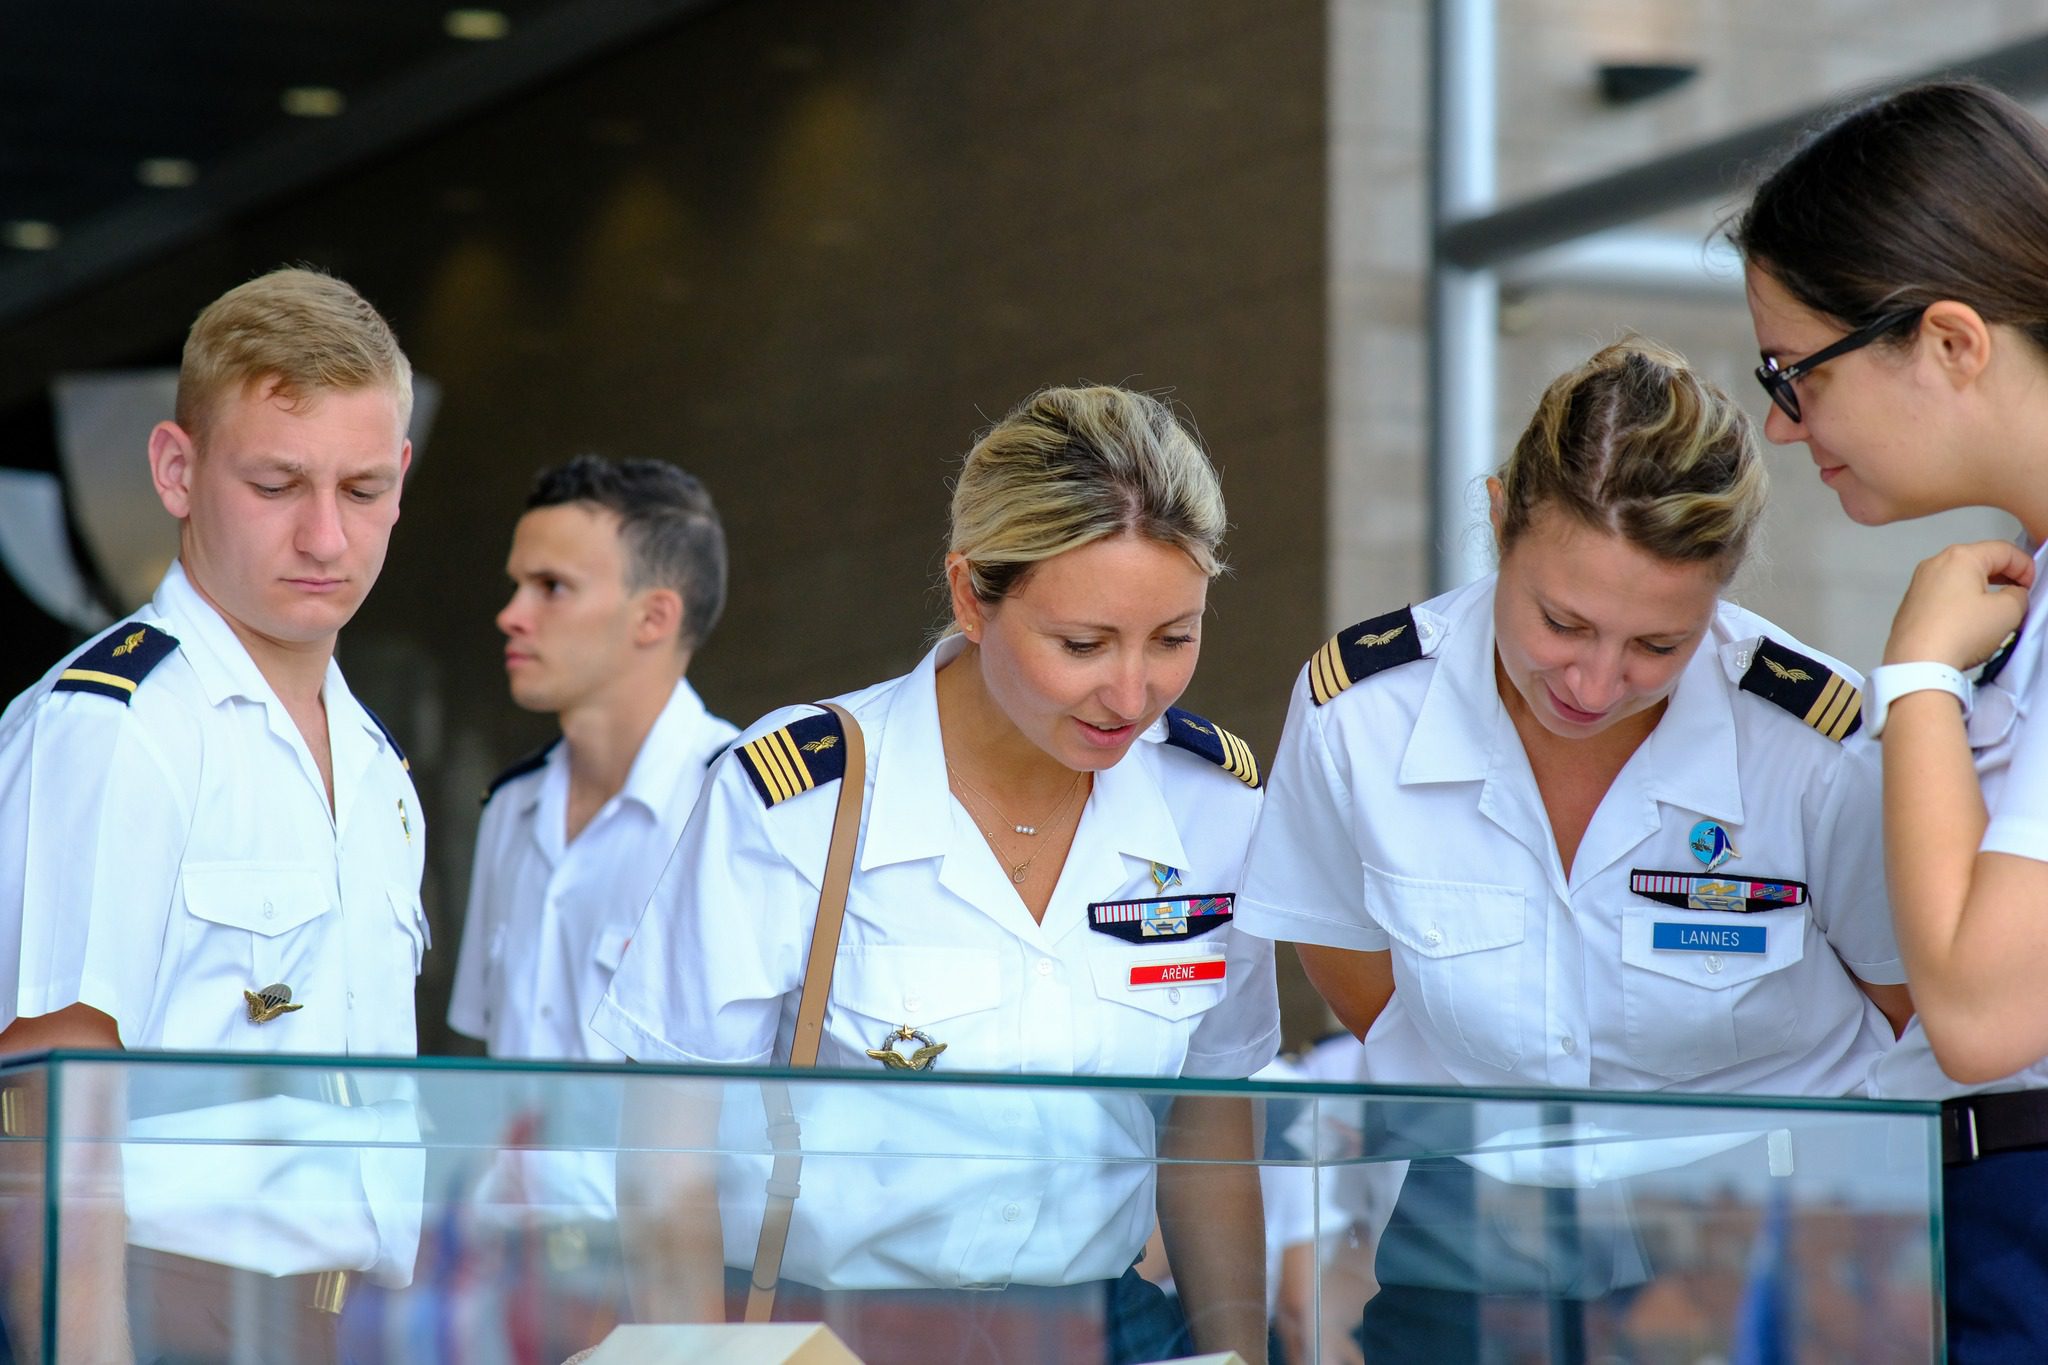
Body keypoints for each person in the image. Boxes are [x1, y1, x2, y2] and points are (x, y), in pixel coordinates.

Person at [1233, 339, 1911, 1360]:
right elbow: (1345, 956)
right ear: (1498, 517)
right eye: (1560, 622)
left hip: (1761, 1224)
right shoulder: (1361, 712)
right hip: (1478, 1204)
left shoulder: (1813, 744)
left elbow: (1907, 1004)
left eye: (1658, 645)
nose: (1593, 684)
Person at [591, 384, 1280, 1365]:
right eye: (1082, 644)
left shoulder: (1209, 803)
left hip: (1100, 1330)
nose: (1132, 693)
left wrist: (1236, 1356)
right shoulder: (802, 800)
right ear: (969, 596)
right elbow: (668, 1150)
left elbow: (1209, 1124)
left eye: (1174, 638)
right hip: (833, 1338)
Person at [0, 267, 426, 1362]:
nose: (326, 538)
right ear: (176, 471)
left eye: (363, 488)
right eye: (278, 484)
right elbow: (47, 1128)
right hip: (164, 1315)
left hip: (346, 1325)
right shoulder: (115, 727)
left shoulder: (376, 766)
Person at [1734, 78, 2048, 1364]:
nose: (1776, 423)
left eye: (1791, 373)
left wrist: (1915, 680)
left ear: (1950, 342)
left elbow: (1975, 1010)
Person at [450, 455, 737, 1062]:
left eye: (551, 587)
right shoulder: (511, 807)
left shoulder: (739, 812)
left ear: (654, 617)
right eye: (517, 585)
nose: (510, 616)